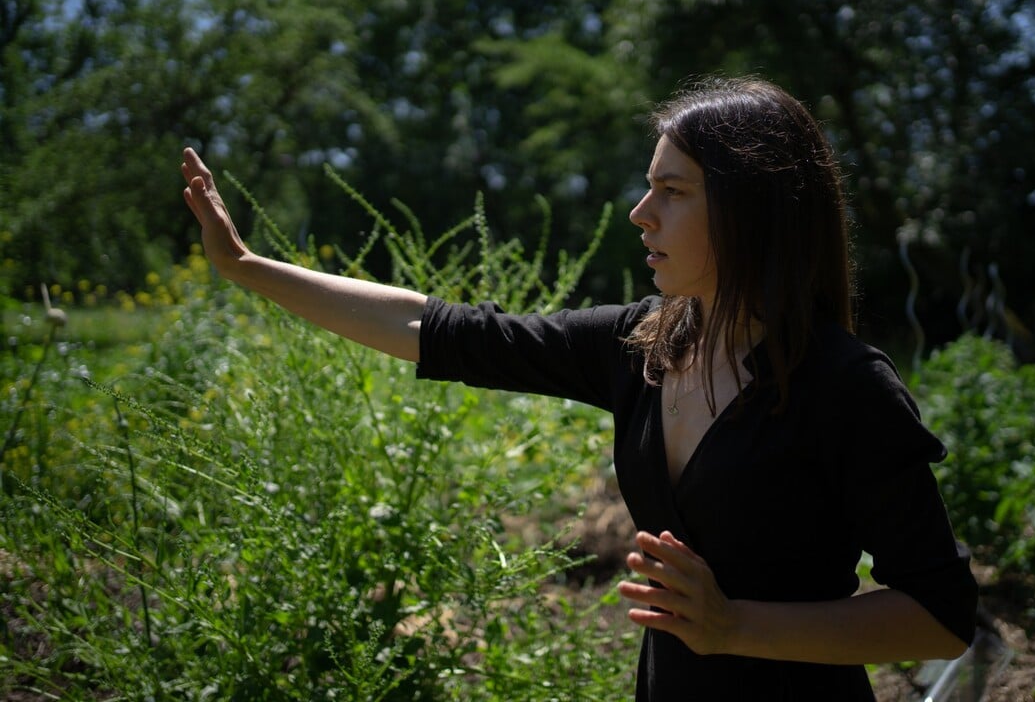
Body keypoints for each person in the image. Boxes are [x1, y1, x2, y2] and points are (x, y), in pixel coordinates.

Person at [180, 76, 977, 700]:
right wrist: (247, 269)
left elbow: (942, 618)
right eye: (647, 186)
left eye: (672, 191)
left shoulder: (846, 388)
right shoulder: (643, 346)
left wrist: (733, 626)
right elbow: (442, 331)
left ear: (750, 211)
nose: (639, 214)